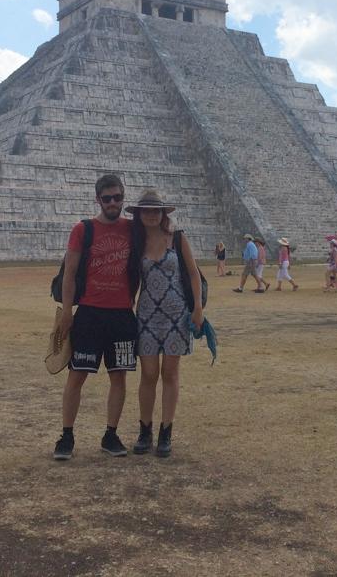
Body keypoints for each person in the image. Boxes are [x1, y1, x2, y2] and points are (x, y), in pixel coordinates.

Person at [53, 174, 139, 461]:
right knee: (77, 375)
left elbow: (161, 231)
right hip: (90, 313)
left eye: (117, 198)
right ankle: (67, 435)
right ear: (98, 199)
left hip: (122, 315)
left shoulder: (133, 229)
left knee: (119, 377)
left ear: (123, 199)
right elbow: (69, 273)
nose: (113, 203)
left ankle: (110, 434)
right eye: (107, 198)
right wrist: (67, 311)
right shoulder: (83, 229)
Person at [127, 189, 201, 458]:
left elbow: (193, 274)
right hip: (147, 315)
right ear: (139, 215)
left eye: (155, 210)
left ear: (162, 214)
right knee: (148, 373)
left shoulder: (177, 239)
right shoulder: (135, 242)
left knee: (170, 373)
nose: (151, 215)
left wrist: (198, 310)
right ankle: (144, 430)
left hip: (176, 314)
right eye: (146, 211)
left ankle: (165, 431)